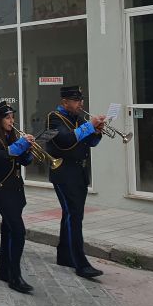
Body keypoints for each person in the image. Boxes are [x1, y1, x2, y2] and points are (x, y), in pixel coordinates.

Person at [45, 86, 105, 279]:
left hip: (78, 172)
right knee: (74, 215)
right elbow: (65, 140)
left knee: (71, 214)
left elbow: (90, 143)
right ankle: (81, 262)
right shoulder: (54, 118)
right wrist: (89, 126)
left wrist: (96, 131)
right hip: (63, 173)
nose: (81, 103)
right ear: (65, 102)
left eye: (81, 100)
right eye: (76, 100)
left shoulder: (77, 118)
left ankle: (65, 254)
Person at [0, 102, 35, 294]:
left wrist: (28, 151)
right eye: (8, 117)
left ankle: (5, 270)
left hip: (15, 189)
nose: (12, 121)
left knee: (8, 230)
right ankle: (15, 275)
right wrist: (21, 145)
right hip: (0, 190)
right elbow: (1, 157)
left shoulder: (11, 135)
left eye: (12, 117)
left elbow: (21, 160)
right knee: (18, 231)